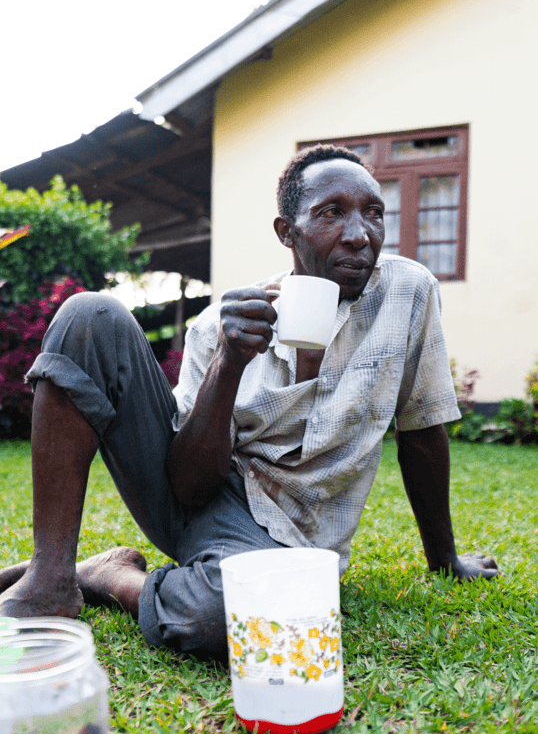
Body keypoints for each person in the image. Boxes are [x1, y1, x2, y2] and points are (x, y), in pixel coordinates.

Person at [0, 144, 498, 652]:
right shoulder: (221, 325)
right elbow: (190, 489)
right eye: (331, 213)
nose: (359, 234)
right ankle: (50, 576)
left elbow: (421, 430)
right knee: (90, 315)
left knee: (233, 616)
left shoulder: (407, 293)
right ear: (288, 232)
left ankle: (109, 578)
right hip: (199, 497)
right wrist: (229, 361)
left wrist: (445, 560)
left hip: (292, 537)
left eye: (374, 213)